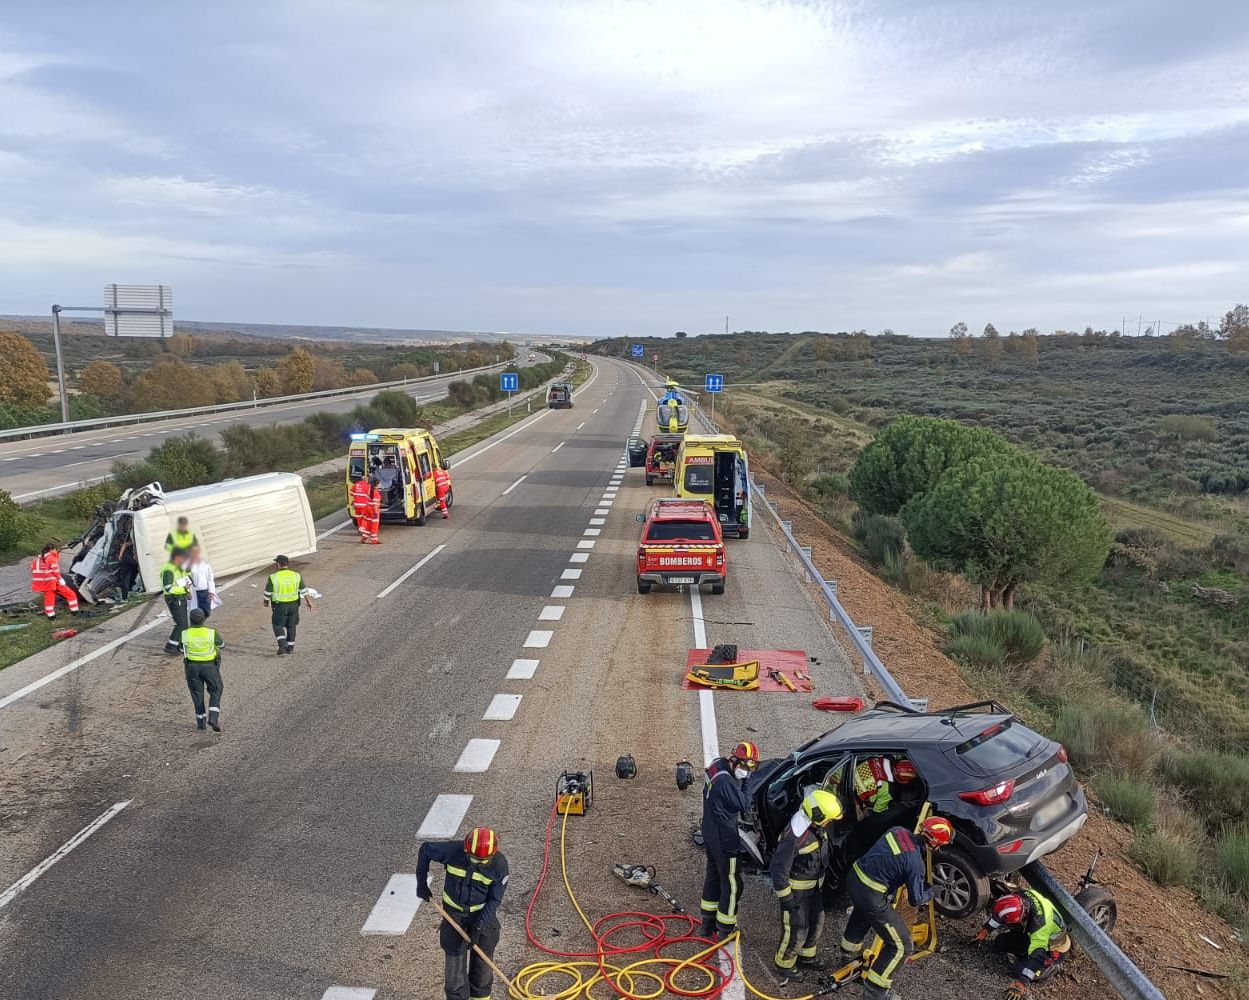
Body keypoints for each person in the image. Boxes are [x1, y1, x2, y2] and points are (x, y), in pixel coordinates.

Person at [839, 816, 955, 1000]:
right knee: (902, 945)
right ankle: (876, 991)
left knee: (863, 912)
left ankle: (848, 954)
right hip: (872, 895)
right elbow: (916, 899)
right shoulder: (915, 864)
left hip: (855, 879)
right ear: (934, 845)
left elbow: (889, 859)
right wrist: (932, 890)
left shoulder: (897, 831)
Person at [417, 827, 509, 1000]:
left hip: (483, 915)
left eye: (483, 861)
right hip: (454, 917)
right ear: (466, 850)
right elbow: (425, 850)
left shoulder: (499, 866)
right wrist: (421, 883)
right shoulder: (453, 852)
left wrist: (479, 925)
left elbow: (494, 900)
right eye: (473, 859)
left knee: (483, 967)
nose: (477, 864)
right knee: (454, 970)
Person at [772, 789, 843, 975]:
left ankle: (806, 956)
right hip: (796, 893)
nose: (829, 823)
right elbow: (778, 870)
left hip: (814, 888)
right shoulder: (794, 837)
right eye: (828, 819)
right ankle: (784, 964)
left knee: (817, 921)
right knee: (797, 929)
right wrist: (787, 900)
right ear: (818, 815)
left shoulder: (815, 827)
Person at [698, 740, 760, 939]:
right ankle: (726, 929)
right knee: (733, 884)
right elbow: (743, 803)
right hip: (725, 838)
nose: (747, 770)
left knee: (714, 875)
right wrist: (747, 780)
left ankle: (707, 925)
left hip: (709, 831)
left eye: (752, 767)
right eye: (746, 766)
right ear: (735, 760)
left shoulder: (717, 766)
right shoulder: (725, 780)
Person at [975, 891, 1071, 997]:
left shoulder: (1040, 924)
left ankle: (1050, 968)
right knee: (1000, 942)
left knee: (1019, 969)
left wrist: (1022, 983)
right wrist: (984, 931)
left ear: (1022, 917)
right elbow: (1001, 914)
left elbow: (1037, 955)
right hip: (1033, 935)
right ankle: (1025, 953)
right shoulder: (1019, 897)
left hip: (1051, 948)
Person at [181, 608, 224, 731]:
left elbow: (181, 649)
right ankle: (213, 718)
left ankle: (201, 723)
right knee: (216, 689)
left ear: (190, 620)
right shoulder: (211, 632)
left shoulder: (185, 633)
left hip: (191, 667)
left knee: (197, 694)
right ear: (204, 619)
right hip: (209, 666)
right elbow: (222, 645)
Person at [263, 555, 312, 655]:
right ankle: (290, 648)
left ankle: (282, 644)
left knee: (277, 625)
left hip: (280, 606)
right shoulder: (296, 575)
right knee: (291, 626)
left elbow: (268, 592)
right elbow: (303, 590)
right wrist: (308, 601)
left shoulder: (273, 577)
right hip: (294, 605)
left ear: (278, 564)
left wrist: (266, 602)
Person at [30, 543, 80, 620]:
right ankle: (75, 612)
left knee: (49, 599)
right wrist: (60, 579)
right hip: (52, 582)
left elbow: (33, 570)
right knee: (71, 594)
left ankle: (51, 616)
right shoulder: (51, 558)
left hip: (42, 584)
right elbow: (55, 571)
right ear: (53, 550)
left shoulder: (36, 560)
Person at [160, 547, 193, 654]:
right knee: (182, 624)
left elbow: (184, 580)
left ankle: (180, 646)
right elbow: (168, 587)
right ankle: (171, 646)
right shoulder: (169, 569)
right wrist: (183, 589)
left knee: (183, 623)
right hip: (174, 598)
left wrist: (187, 591)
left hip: (180, 597)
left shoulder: (179, 567)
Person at [188, 545, 219, 620]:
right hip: (194, 592)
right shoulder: (188, 566)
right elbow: (186, 579)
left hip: (205, 591)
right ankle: (197, 626)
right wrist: (188, 592)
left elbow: (210, 578)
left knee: (206, 612)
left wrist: (211, 591)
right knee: (195, 612)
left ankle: (200, 624)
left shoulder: (205, 565)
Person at [349, 475, 378, 543]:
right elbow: (370, 495)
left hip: (357, 504)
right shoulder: (367, 486)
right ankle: (363, 529)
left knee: (359, 518)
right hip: (364, 504)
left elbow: (351, 493)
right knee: (365, 518)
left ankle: (360, 529)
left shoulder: (356, 485)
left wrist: (356, 496)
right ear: (365, 480)